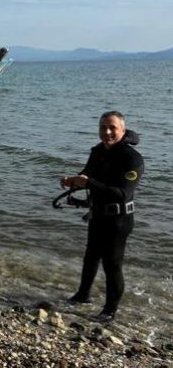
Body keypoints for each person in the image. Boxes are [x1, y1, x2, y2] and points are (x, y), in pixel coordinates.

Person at [60, 111, 144, 322]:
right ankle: (82, 295)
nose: (106, 132)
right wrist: (72, 181)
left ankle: (109, 311)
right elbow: (87, 174)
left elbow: (122, 194)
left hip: (119, 220)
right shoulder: (98, 152)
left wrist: (88, 183)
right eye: (102, 128)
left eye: (112, 128)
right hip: (97, 215)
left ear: (122, 130)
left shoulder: (132, 159)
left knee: (112, 265)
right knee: (90, 258)